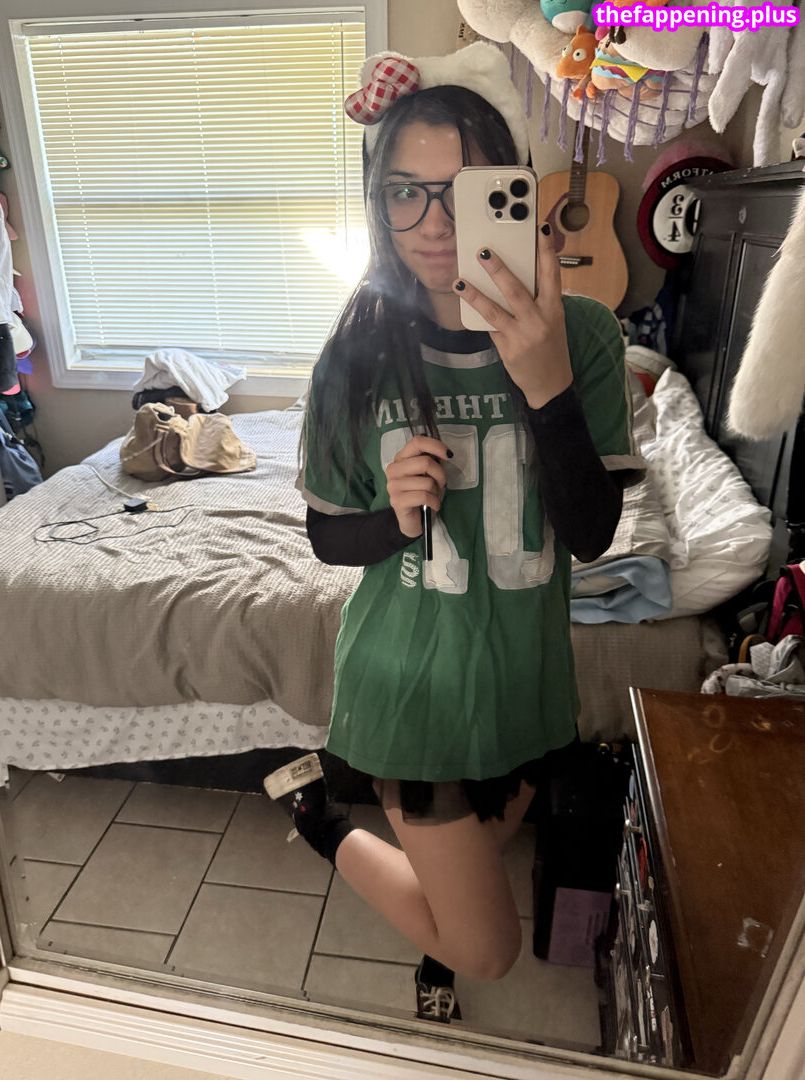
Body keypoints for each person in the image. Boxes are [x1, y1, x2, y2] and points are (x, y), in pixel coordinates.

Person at [264, 42, 643, 1023]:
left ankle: (434, 919)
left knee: (488, 830)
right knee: (488, 950)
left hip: (525, 675)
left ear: (511, 191)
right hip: (412, 686)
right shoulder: (354, 355)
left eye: (464, 192)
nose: (434, 224)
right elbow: (327, 538)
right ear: (378, 205)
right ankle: (320, 819)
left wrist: (547, 383)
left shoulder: (587, 334)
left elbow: (594, 533)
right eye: (405, 193)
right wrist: (395, 519)